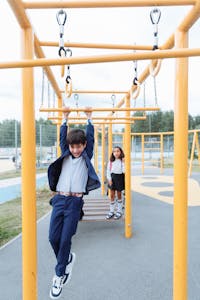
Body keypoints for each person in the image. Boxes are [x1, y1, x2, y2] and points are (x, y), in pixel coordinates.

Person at [48, 107, 101, 299]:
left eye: (79, 146)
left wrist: (89, 119)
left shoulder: (86, 156)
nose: (76, 149)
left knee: (65, 239)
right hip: (60, 199)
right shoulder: (65, 155)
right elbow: (63, 138)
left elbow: (91, 139)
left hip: (75, 202)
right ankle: (67, 259)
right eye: (73, 147)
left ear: (84, 146)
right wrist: (64, 118)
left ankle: (59, 275)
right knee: (53, 238)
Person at [106, 146, 125, 220]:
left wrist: (123, 163)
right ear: (112, 153)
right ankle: (111, 211)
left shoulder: (122, 161)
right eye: (114, 151)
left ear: (120, 152)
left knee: (119, 194)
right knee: (112, 195)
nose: (116, 153)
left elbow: (124, 171)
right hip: (112, 178)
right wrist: (109, 179)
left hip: (119, 178)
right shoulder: (111, 161)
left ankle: (119, 211)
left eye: (118, 151)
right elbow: (108, 171)